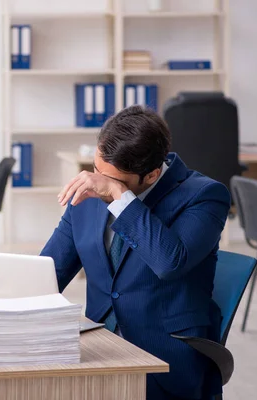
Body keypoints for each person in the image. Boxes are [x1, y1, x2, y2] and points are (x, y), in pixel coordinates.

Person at [41, 105, 230, 400]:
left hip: (167, 360)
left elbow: (170, 262)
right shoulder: (90, 189)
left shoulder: (204, 196)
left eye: (114, 180)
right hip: (99, 347)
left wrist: (119, 196)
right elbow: (48, 273)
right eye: (96, 169)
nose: (98, 182)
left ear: (152, 174)